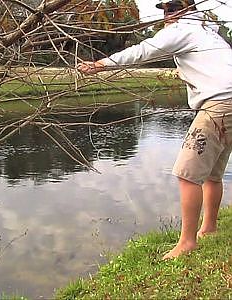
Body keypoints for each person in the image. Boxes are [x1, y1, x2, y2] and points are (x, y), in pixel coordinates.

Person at [78, 0, 232, 259]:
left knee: (187, 174)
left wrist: (100, 64)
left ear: (187, 10)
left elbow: (144, 50)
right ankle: (209, 228)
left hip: (219, 104)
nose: (166, 15)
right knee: (212, 175)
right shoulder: (209, 32)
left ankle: (187, 242)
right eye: (164, 10)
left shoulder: (183, 29)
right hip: (228, 103)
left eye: (172, 9)